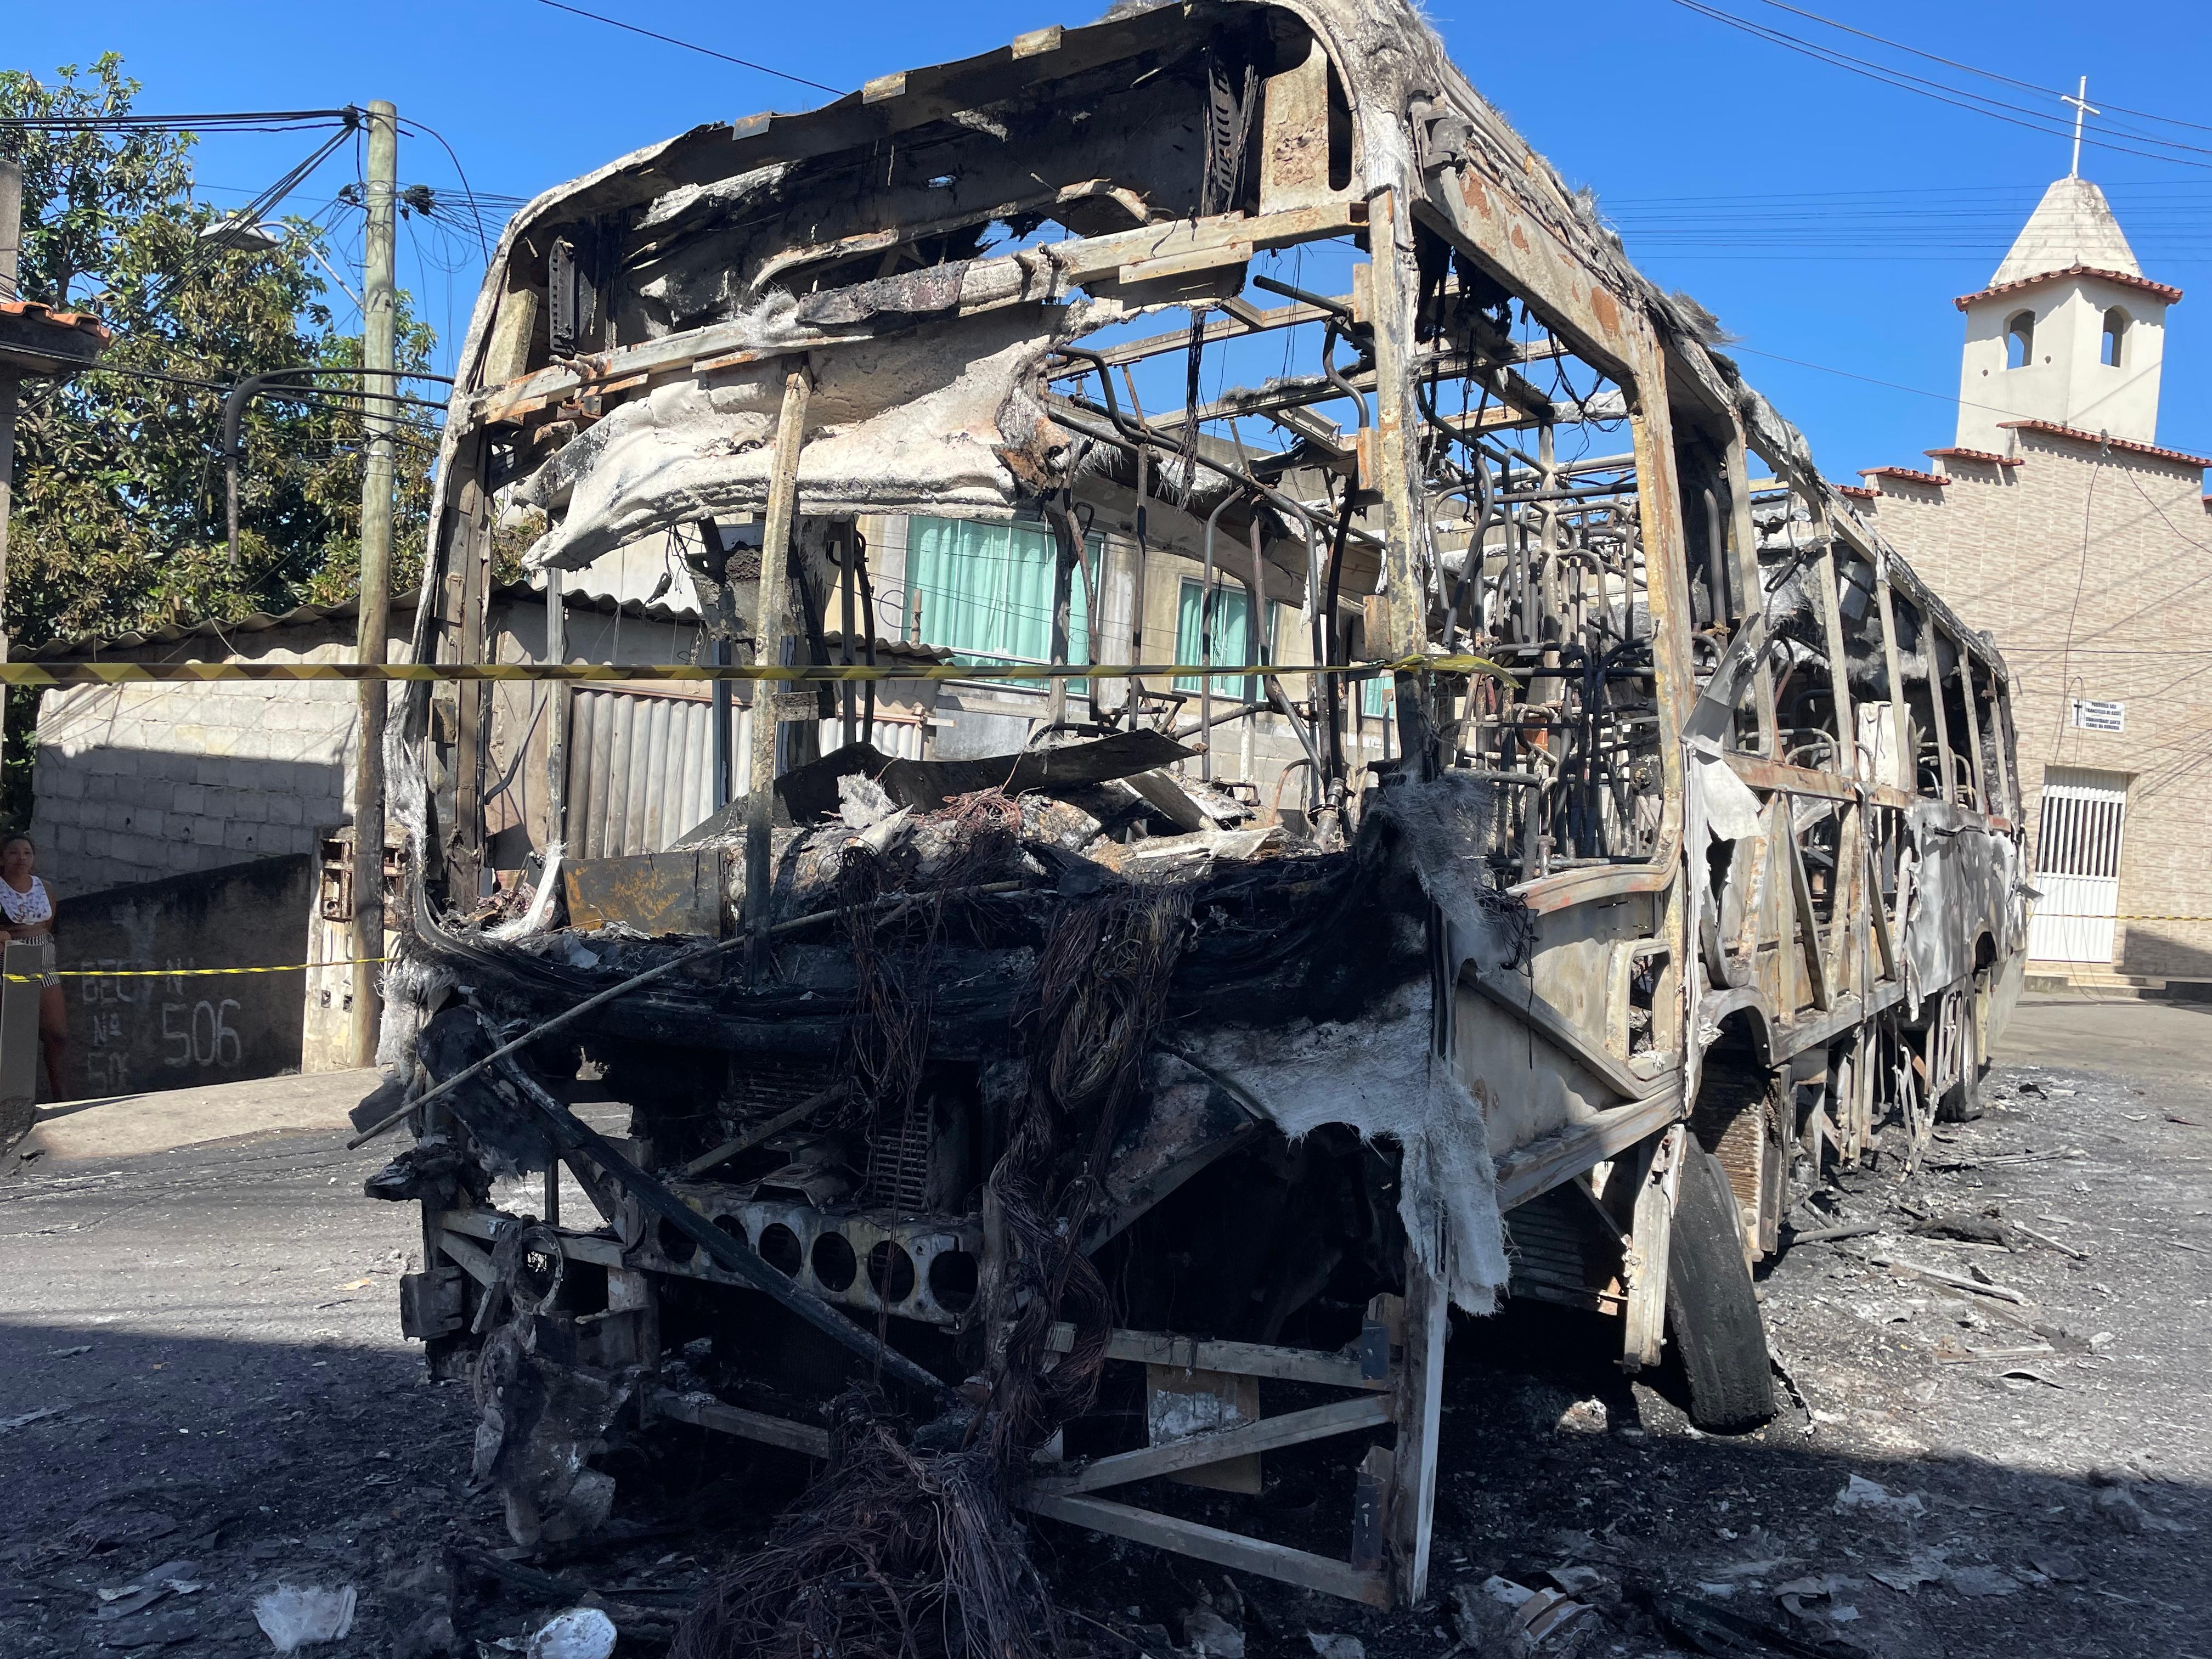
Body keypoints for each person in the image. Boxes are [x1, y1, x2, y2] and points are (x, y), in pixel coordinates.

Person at [0, 833, 66, 1100]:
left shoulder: (46, 888)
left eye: (27, 853)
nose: (21, 859)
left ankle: (61, 1096)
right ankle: (12, 1102)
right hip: (8, 965)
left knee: (57, 1035)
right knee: (15, 1040)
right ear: (3, 858)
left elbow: (47, 927)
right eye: (14, 853)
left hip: (45, 964)